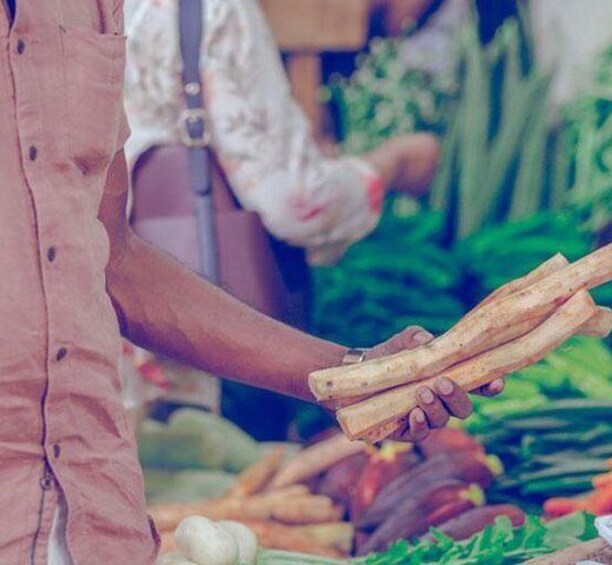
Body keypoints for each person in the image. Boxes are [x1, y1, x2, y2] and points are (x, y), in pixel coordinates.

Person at [0, 1, 502, 563]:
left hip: (97, 516)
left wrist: (347, 374)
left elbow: (111, 258)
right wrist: (394, 164)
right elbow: (295, 201)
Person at [123, 0, 445, 439]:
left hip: (100, 350)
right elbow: (296, 203)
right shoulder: (215, 11)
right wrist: (394, 164)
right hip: (201, 359)